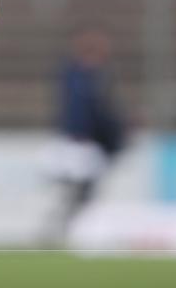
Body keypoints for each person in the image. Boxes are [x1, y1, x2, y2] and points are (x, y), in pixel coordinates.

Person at [44, 24, 126, 243]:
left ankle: (72, 229)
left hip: (88, 146)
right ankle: (64, 230)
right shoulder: (77, 76)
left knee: (83, 193)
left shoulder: (96, 76)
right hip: (76, 145)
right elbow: (85, 113)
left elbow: (103, 113)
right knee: (75, 192)